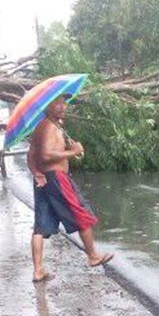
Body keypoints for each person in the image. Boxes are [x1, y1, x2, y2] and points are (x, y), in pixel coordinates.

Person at [27, 95, 113, 283]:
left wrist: (36, 173)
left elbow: (31, 155)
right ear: (47, 107)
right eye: (57, 103)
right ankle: (93, 256)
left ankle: (38, 270)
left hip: (43, 180)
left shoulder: (42, 127)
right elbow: (46, 154)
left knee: (40, 226)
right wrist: (72, 152)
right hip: (57, 178)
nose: (63, 106)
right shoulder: (49, 127)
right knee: (81, 213)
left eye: (63, 103)